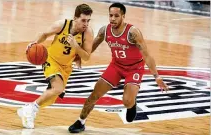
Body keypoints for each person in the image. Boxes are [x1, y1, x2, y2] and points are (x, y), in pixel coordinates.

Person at [68, 2, 169, 133]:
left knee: (127, 102)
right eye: (110, 15)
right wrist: (78, 56)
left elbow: (147, 56)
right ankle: (81, 122)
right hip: (116, 66)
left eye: (116, 16)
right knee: (94, 95)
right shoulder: (105, 30)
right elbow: (91, 48)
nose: (113, 19)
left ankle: (132, 103)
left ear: (123, 16)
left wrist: (157, 76)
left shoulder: (133, 33)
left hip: (134, 68)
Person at [17, 4, 94, 129]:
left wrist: (76, 46)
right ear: (75, 18)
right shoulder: (62, 25)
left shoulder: (88, 33)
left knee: (51, 98)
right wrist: (33, 43)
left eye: (88, 20)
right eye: (83, 20)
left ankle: (28, 110)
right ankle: (31, 109)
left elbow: (86, 56)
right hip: (51, 60)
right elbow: (44, 34)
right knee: (57, 88)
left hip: (66, 67)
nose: (86, 24)